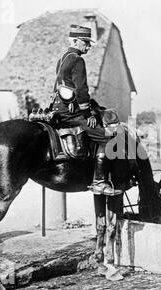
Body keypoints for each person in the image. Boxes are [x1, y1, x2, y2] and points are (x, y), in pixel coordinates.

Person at [50, 24, 122, 196]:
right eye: (85, 42)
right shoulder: (77, 59)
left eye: (89, 43)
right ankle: (99, 182)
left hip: (58, 109)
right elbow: (81, 90)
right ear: (75, 41)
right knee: (108, 139)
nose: (88, 47)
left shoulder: (63, 59)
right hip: (71, 113)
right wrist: (88, 114)